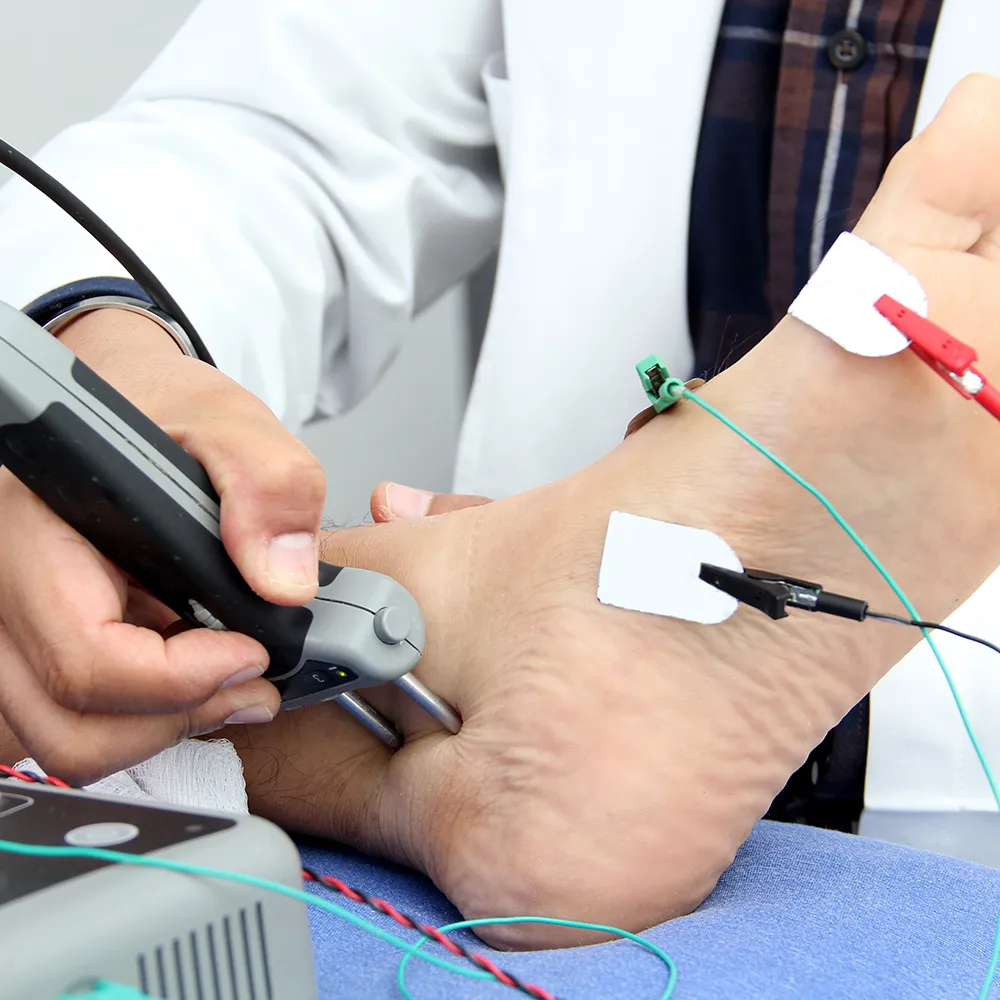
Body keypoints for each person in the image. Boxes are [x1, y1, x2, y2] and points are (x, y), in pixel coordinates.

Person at [0, 0, 998, 940]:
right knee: (165, 607)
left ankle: (503, 639)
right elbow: (287, 135)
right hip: (552, 613)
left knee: (201, 633)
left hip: (953, 792)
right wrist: (99, 348)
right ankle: (496, 654)